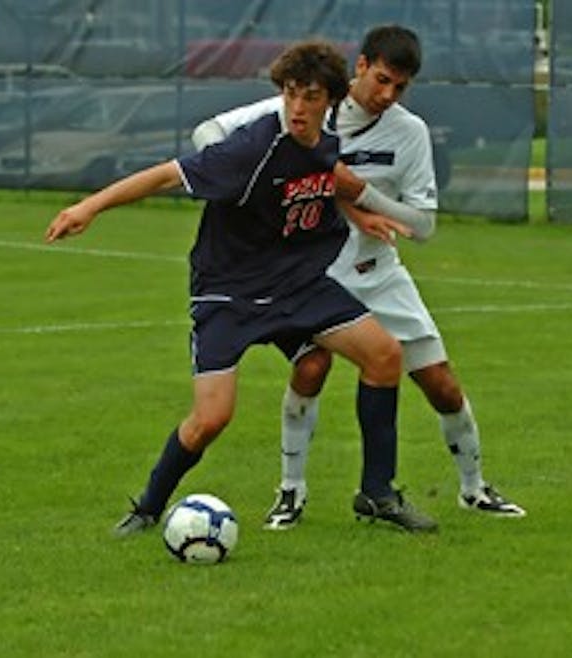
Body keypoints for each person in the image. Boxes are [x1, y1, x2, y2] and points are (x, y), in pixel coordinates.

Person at [45, 40, 437, 535]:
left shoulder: (326, 141)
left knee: (382, 356)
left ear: (332, 101)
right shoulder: (253, 148)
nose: (297, 107)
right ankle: (147, 508)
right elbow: (167, 175)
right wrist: (89, 207)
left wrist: (360, 209)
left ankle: (377, 493)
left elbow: (328, 174)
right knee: (211, 418)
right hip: (230, 292)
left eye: (310, 97)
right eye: (290, 94)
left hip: (297, 285)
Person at [192, 25, 526, 529]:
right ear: (362, 67)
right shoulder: (308, 106)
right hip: (308, 270)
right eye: (383, 80)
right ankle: (291, 492)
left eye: (401, 87)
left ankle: (474, 489)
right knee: (311, 369)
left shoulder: (409, 132)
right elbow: (207, 134)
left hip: (377, 272)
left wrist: (359, 196)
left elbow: (423, 224)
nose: (388, 95)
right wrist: (252, 181)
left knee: (442, 386)